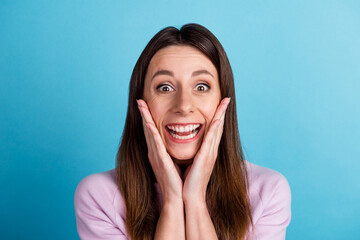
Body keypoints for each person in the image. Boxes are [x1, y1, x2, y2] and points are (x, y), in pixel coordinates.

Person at [74, 23, 291, 240]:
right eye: (165, 87)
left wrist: (195, 199)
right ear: (141, 103)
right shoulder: (98, 197)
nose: (184, 105)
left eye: (201, 87)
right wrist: (171, 200)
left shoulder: (268, 192)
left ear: (223, 101)